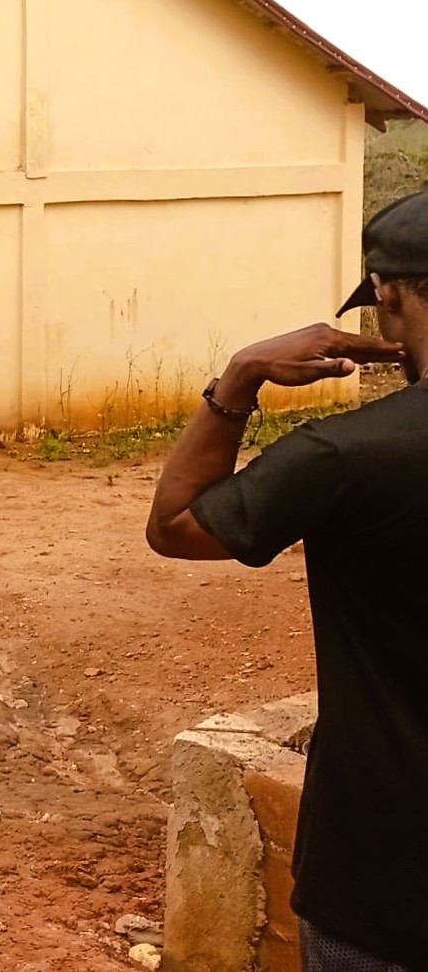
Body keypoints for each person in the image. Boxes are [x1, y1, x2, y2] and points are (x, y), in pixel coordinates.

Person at [145, 189, 428, 971]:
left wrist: (237, 378)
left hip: (381, 891)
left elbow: (174, 525)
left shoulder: (345, 455)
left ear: (385, 293)